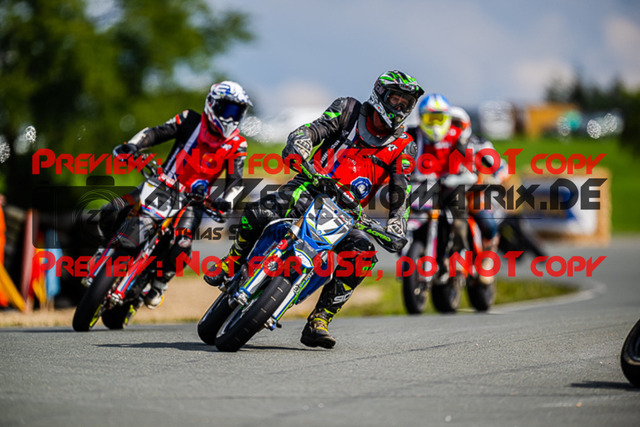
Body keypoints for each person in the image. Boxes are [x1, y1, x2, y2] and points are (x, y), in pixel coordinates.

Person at [205, 70, 424, 348]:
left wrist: (396, 225)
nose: (400, 107)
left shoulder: (405, 146)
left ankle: (320, 319)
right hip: (310, 187)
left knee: (363, 254)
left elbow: (400, 191)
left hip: (347, 214)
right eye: (395, 99)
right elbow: (312, 130)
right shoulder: (347, 109)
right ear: (380, 95)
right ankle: (233, 261)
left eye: (406, 103)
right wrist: (300, 143)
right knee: (259, 212)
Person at [97, 81, 252, 308]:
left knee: (182, 244)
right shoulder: (189, 119)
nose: (230, 118)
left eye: (236, 112)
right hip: (161, 184)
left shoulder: (238, 144)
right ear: (212, 104)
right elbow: (155, 133)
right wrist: (132, 146)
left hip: (194, 201)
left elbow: (235, 181)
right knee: (113, 209)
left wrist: (226, 201)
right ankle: (105, 247)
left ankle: (161, 282)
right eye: (227, 110)